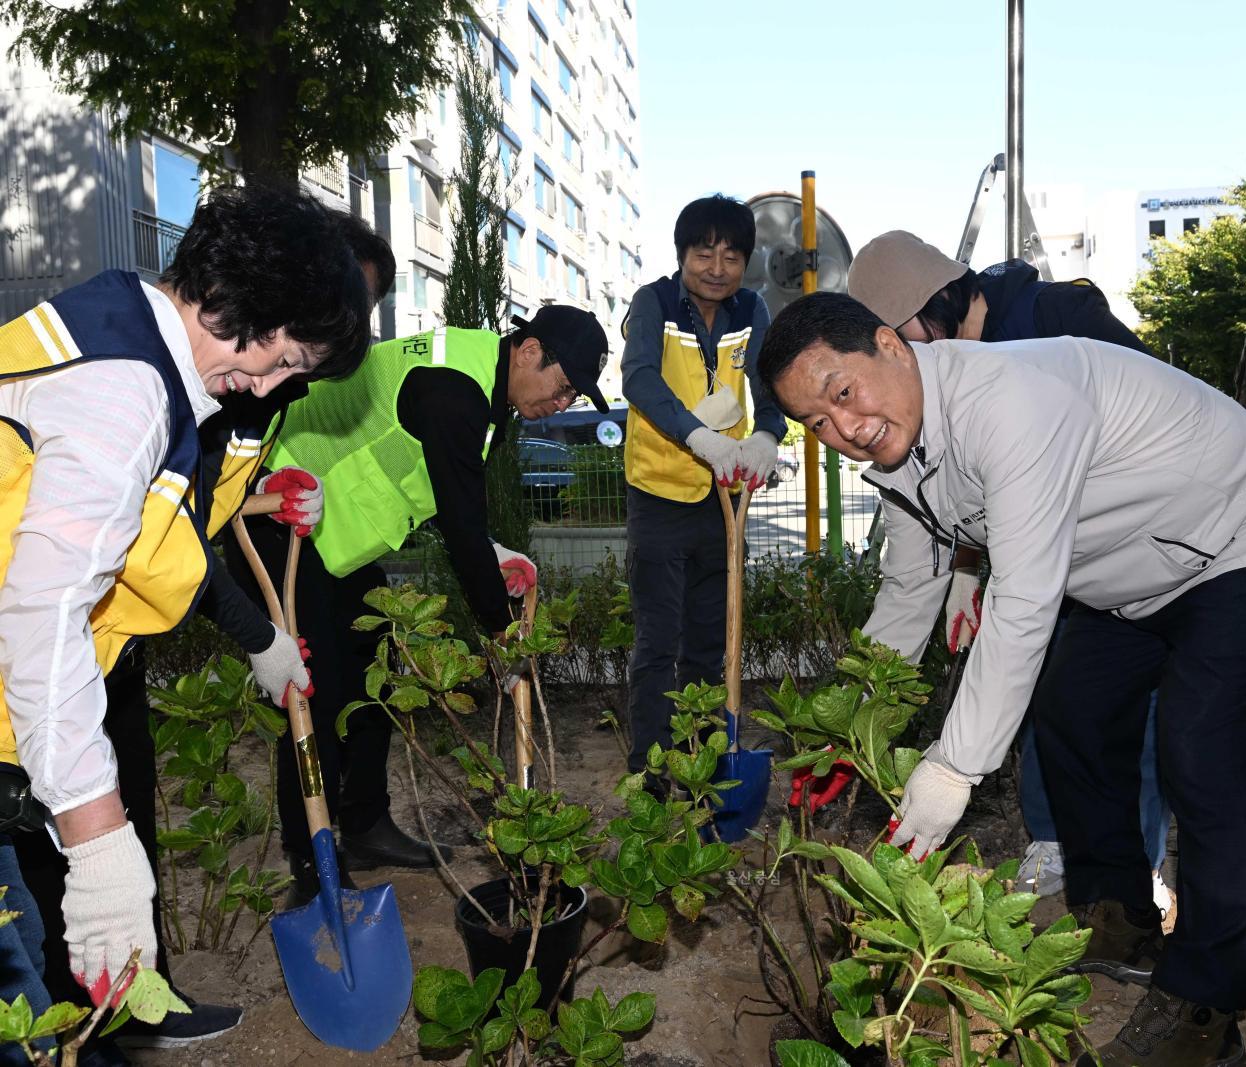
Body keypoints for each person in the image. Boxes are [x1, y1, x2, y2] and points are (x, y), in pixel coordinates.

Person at [759, 292, 1246, 1067]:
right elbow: (908, 589)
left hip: (1243, 531)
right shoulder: (897, 455)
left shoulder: (1010, 400)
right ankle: (1118, 911)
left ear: (891, 345)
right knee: (1071, 708)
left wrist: (954, 766)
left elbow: (1023, 597)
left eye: (842, 392)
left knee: (1202, 752)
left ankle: (1205, 1010)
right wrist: (850, 722)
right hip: (1134, 570)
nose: (844, 429)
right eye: (816, 423)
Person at [10, 212, 392, 1058]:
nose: (268, 386)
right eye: (285, 358)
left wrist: (259, 499)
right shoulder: (127, 387)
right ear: (247, 301)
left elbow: (155, 522)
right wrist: (99, 839)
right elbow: (43, 614)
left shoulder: (130, 340)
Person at [229, 306, 611, 904]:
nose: (561, 404)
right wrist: (501, 627)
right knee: (319, 691)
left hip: (332, 539)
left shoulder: (482, 389)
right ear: (531, 351)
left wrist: (491, 547)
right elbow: (460, 524)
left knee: (376, 667)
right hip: (278, 511)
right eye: (563, 388)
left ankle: (365, 822)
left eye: (572, 399)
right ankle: (312, 864)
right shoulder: (453, 388)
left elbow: (449, 495)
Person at [843, 230, 1171, 912]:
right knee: (1037, 688)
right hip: (1035, 552)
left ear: (934, 301)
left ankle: (1143, 854)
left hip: (1121, 545)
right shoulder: (944, 364)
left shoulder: (1057, 318)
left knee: (1125, 704)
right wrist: (966, 565)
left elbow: (1137, 433)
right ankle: (1053, 835)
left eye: (897, 337)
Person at [620, 194, 786, 775]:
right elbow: (639, 378)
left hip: (725, 497)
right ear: (682, 253)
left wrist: (767, 437)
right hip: (660, 491)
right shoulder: (655, 303)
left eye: (732, 255)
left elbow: (769, 388)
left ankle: (701, 758)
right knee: (658, 639)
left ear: (746, 263)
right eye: (704, 252)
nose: (717, 267)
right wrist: (701, 439)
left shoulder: (752, 310)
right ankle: (649, 768)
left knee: (710, 639)